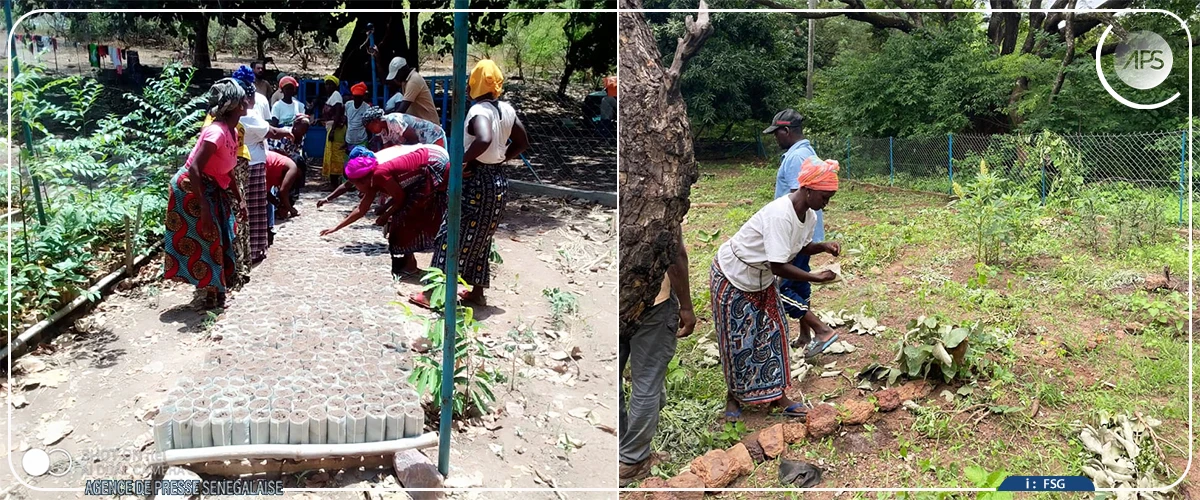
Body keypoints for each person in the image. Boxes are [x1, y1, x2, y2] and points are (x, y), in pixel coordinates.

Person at [710, 158, 842, 421]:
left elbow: (799, 247)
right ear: (807, 189)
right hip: (733, 276)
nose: (827, 202)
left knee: (773, 335)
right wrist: (815, 277)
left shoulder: (809, 214)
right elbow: (779, 265)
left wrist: (823, 246)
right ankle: (734, 397)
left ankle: (778, 398)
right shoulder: (780, 214)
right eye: (825, 196)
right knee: (738, 342)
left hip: (761, 279)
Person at [409, 60, 527, 308]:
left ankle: (433, 295)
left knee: (448, 235)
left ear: (473, 83)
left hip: (475, 181)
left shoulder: (478, 112)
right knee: (482, 237)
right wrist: (502, 157)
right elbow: (522, 142)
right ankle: (477, 292)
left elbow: (483, 139)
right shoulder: (507, 110)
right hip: (497, 181)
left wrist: (459, 163)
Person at [618, 230, 695, 487]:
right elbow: (675, 255)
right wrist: (686, 306)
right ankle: (631, 460)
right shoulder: (659, 192)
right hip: (652, 300)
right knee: (647, 381)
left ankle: (618, 446)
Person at [164, 78, 248, 309]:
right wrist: (204, 210)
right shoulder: (216, 133)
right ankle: (211, 294)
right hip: (192, 187)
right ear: (237, 105)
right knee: (209, 237)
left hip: (211, 186)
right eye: (243, 98)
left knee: (222, 234)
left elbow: (227, 170)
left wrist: (239, 200)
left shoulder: (231, 131)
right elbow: (194, 168)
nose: (247, 101)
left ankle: (215, 290)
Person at [762, 109, 836, 354]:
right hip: (799, 235)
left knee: (785, 289)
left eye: (777, 134)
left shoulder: (796, 158)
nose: (776, 139)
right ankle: (806, 333)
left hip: (793, 236)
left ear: (786, 131)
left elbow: (800, 199)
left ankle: (820, 330)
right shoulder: (806, 152)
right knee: (800, 283)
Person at [320, 145, 449, 276]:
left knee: (405, 216)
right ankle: (406, 261)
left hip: (433, 163)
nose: (356, 188)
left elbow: (401, 197)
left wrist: (386, 215)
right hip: (421, 169)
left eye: (356, 185)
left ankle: (410, 265)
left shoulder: (379, 174)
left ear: (362, 180)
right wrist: (335, 228)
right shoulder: (371, 179)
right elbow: (361, 209)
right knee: (401, 214)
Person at [318, 107, 447, 208]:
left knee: (435, 173)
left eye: (370, 127)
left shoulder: (393, 121)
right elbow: (387, 148)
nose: (371, 131)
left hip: (432, 138)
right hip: (416, 147)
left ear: (376, 121)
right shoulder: (383, 132)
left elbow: (414, 141)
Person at [234, 65, 290, 260]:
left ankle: (243, 248)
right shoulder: (246, 114)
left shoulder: (227, 113)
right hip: (254, 161)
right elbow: (271, 130)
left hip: (237, 162)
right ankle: (255, 249)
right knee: (256, 208)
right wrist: (289, 132)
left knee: (242, 206)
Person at [380, 55, 439, 123]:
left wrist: (385, 118)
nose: (396, 78)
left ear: (402, 71)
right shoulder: (406, 81)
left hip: (428, 124)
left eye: (396, 75)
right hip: (421, 123)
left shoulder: (413, 81)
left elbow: (401, 110)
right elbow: (386, 82)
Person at [319, 75, 348, 188]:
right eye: (327, 84)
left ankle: (336, 183)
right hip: (331, 128)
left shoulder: (336, 96)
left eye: (331, 84)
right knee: (331, 155)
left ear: (336, 86)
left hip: (336, 130)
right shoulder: (331, 97)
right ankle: (333, 182)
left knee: (335, 155)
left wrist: (333, 130)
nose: (328, 86)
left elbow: (337, 114)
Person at [265, 150, 301, 220]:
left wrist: (279, 205)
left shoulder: (274, 173)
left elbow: (266, 193)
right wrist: (290, 209)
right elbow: (283, 191)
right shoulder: (292, 167)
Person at [344, 82, 371, 152]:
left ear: (362, 97)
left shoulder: (367, 107)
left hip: (362, 140)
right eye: (355, 97)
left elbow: (368, 125)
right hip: (349, 139)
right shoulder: (348, 105)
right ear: (352, 97)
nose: (357, 99)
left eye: (359, 97)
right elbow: (346, 121)